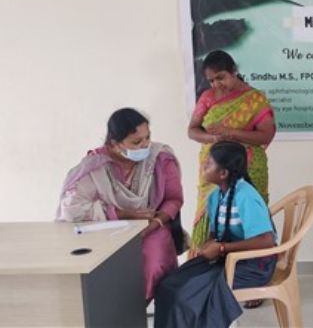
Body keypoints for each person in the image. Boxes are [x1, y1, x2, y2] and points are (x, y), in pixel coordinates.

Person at [56, 108, 183, 301]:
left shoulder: (160, 158)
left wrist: (154, 224)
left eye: (147, 137)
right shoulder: (96, 166)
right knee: (102, 270)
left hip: (153, 227)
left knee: (153, 262)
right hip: (107, 230)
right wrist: (121, 213)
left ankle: (136, 309)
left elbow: (174, 199)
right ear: (115, 144)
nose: (146, 145)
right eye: (136, 142)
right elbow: (72, 209)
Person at [155, 141, 277, 327]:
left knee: (189, 293)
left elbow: (266, 240)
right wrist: (208, 245)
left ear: (223, 173)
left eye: (209, 162)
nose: (203, 164)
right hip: (226, 259)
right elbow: (216, 234)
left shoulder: (246, 196)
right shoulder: (214, 197)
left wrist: (221, 248)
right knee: (169, 285)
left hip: (254, 266)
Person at [188, 49, 276, 257]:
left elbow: (266, 135)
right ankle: (206, 261)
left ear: (234, 71)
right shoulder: (207, 97)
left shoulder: (255, 99)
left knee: (246, 217)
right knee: (209, 217)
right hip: (214, 165)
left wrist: (230, 133)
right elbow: (192, 130)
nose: (216, 85)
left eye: (221, 77)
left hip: (246, 166)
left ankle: (248, 262)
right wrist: (213, 139)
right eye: (211, 80)